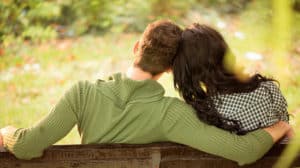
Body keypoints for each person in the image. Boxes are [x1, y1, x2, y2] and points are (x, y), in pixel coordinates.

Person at [0, 20, 292, 166]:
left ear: (135, 48)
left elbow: (26, 147)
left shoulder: (82, 94)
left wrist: (7, 131)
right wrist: (282, 125)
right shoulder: (173, 114)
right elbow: (245, 151)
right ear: (169, 69)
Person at [172, 23, 291, 136]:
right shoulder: (267, 92)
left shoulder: (199, 116)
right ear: (224, 53)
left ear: (187, 69)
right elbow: (286, 132)